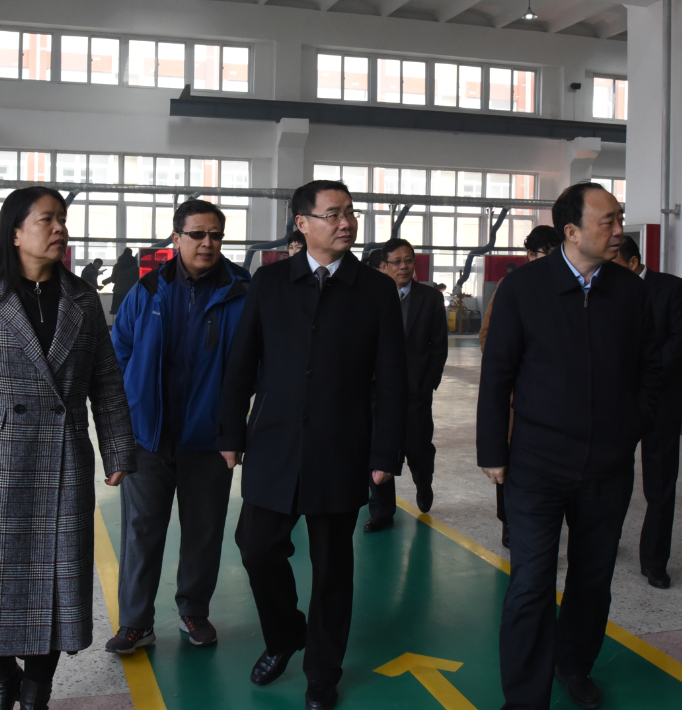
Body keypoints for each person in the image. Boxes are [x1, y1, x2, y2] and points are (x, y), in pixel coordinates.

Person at [218, 180, 407, 710]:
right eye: (333, 214)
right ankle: (285, 635)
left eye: (350, 213)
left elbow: (393, 380)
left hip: (341, 447)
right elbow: (242, 362)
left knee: (332, 569)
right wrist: (230, 432)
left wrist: (385, 453)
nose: (346, 223)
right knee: (256, 548)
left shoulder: (374, 290)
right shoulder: (270, 281)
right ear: (302, 223)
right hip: (274, 442)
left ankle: (323, 671)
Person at [477, 183, 660, 710]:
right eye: (608, 221)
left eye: (619, 218)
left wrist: (630, 426)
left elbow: (651, 368)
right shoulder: (523, 288)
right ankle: (524, 698)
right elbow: (498, 373)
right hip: (536, 464)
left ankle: (574, 664)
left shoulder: (630, 292)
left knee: (593, 578)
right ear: (572, 231)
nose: (619, 229)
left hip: (607, 465)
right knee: (531, 583)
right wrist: (492, 449)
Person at [0, 186, 135, 710]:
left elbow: (107, 381)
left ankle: (37, 691)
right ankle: (5, 678)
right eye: (46, 220)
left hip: (64, 461)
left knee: (57, 585)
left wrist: (117, 448)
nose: (60, 229)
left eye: (62, 219)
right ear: (15, 232)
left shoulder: (81, 300)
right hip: (5, 459)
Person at [107, 200, 250, 654]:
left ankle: (194, 611)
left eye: (215, 235)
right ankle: (135, 622)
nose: (207, 243)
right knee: (141, 531)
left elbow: (255, 363)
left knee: (204, 531)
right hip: (149, 436)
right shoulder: (148, 290)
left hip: (210, 438)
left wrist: (233, 427)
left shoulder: (242, 292)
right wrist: (130, 412)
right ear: (176, 238)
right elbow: (119, 352)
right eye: (197, 234)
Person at [614, 237, 682, 589]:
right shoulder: (605, 289)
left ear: (633, 262)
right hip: (617, 402)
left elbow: (681, 342)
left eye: (614, 263)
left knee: (660, 484)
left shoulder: (671, 288)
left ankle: (654, 560)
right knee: (611, 479)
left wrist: (642, 373)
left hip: (663, 400)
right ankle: (607, 540)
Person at [479, 224, 561, 550]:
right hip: (523, 391)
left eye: (557, 253)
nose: (553, 260)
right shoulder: (511, 287)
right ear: (530, 255)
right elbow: (488, 337)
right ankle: (508, 521)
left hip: (560, 397)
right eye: (546, 254)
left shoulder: (569, 286)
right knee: (511, 460)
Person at [364, 238, 448, 531]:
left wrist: (428, 383)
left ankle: (423, 482)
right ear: (384, 265)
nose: (403, 266)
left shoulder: (430, 298)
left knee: (418, 448)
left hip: (415, 391)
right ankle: (382, 512)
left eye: (408, 260)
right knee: (378, 449)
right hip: (376, 390)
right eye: (397, 261)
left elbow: (439, 346)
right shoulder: (370, 297)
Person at [109, 247, 139, 316]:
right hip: (130, 292)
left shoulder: (117, 266)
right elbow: (137, 280)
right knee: (129, 312)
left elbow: (113, 279)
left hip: (118, 292)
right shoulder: (135, 267)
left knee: (117, 312)